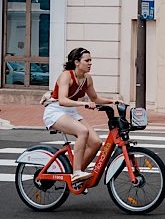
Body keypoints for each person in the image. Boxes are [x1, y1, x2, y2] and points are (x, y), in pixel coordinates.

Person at [42, 48, 118, 183]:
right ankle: (76, 172)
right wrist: (84, 104)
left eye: (90, 60)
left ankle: (75, 178)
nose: (90, 63)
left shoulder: (87, 78)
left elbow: (95, 98)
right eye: (87, 60)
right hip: (55, 111)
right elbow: (62, 100)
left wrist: (114, 101)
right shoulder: (66, 75)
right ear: (77, 62)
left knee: (96, 142)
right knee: (82, 131)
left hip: (70, 112)